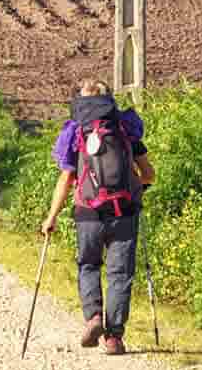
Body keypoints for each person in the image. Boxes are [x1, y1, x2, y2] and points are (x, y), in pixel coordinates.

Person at [40, 80, 154, 354]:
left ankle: (93, 317)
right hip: (124, 212)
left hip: (88, 212)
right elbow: (149, 173)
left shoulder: (75, 131)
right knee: (120, 274)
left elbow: (66, 178)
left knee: (89, 264)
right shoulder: (125, 128)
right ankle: (114, 337)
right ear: (108, 100)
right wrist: (138, 190)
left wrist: (51, 217)